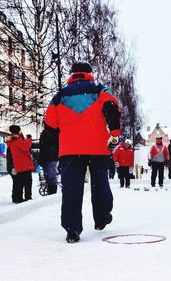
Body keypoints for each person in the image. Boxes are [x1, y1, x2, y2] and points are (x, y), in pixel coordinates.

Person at [42, 61, 121, 243]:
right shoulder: (99, 90)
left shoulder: (60, 95)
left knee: (71, 189)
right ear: (89, 73)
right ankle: (101, 217)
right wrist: (114, 134)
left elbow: (50, 124)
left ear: (72, 74)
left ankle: (72, 229)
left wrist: (59, 142)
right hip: (98, 148)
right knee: (100, 184)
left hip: (69, 150)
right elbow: (112, 108)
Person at [6, 125, 34, 203]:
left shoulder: (11, 141)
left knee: (19, 183)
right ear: (18, 131)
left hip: (18, 165)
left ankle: (17, 198)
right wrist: (29, 139)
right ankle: (27, 198)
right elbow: (25, 147)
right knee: (27, 183)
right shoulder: (17, 140)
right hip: (24, 165)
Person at [39, 128, 59, 194]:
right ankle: (51, 189)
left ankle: (52, 190)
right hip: (50, 156)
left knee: (50, 174)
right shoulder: (52, 133)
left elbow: (43, 147)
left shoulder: (46, 134)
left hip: (49, 156)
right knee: (50, 174)